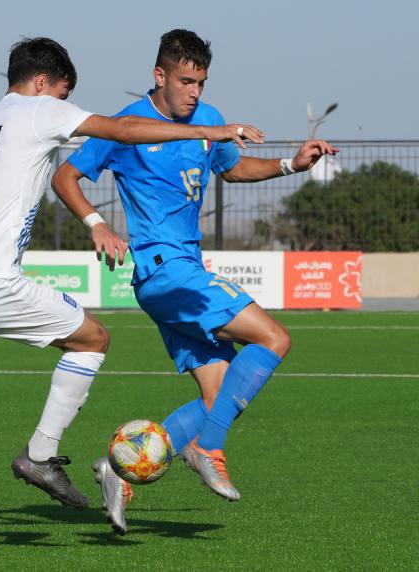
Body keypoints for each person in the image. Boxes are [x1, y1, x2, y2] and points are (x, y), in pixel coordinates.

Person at [0, 36, 263, 550]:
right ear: (40, 83)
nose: (64, 103)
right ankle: (40, 454)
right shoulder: (39, 111)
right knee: (93, 339)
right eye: (62, 92)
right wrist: (212, 130)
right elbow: (123, 130)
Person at [53, 29, 339, 533]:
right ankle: (208, 448)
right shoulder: (125, 126)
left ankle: (119, 471)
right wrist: (96, 224)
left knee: (219, 395)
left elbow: (234, 169)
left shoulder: (208, 120)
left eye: (201, 82)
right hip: (166, 271)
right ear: (159, 75)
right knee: (274, 338)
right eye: (186, 81)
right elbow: (64, 177)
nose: (195, 92)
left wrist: (290, 164)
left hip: (186, 270)